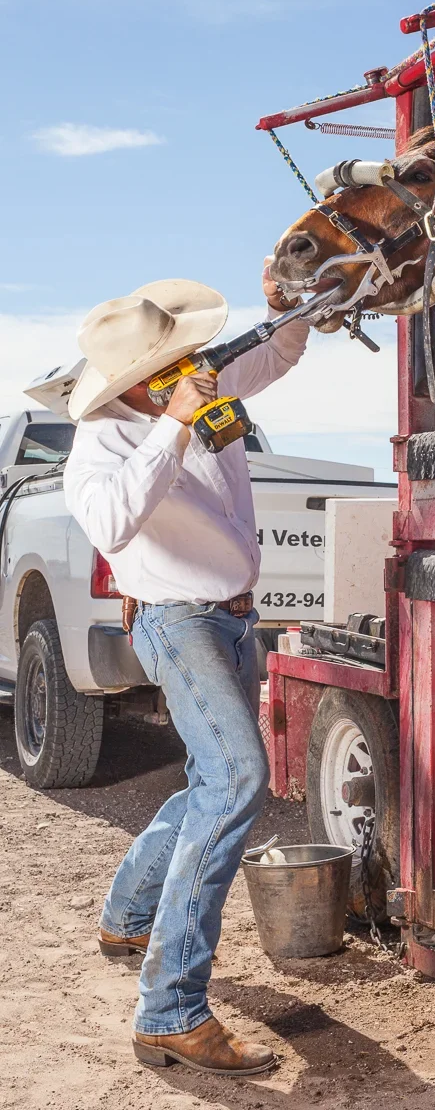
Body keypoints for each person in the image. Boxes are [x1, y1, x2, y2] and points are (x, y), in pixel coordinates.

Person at [63, 266, 308, 1076]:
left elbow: (276, 358)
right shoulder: (100, 445)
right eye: (173, 365)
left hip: (236, 619)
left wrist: (283, 312)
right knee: (238, 778)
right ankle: (169, 1009)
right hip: (178, 622)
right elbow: (114, 521)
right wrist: (175, 423)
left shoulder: (198, 385)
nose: (199, 368)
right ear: (139, 380)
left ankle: (129, 916)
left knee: (212, 777)